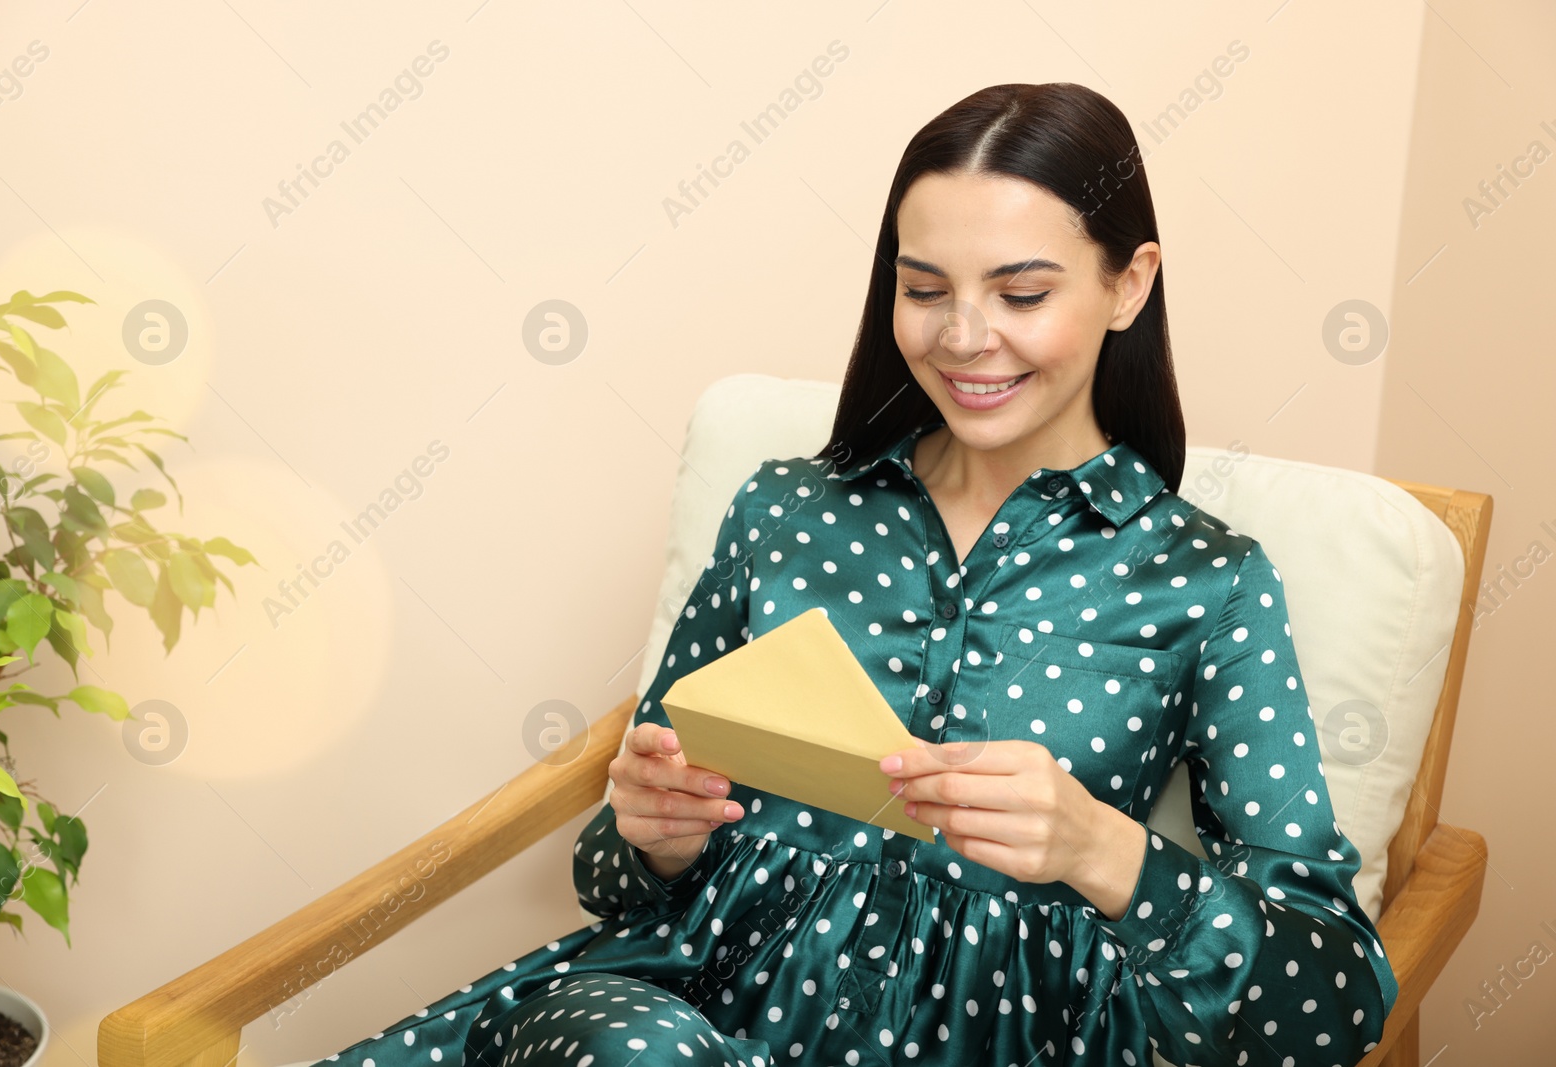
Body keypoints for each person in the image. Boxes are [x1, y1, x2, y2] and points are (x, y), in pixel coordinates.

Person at [323, 81, 1398, 1067]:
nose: (965, 337)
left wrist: (1099, 846)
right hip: (670, 1014)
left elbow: (1330, 1008)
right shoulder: (785, 511)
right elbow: (609, 876)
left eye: (1021, 293)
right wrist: (650, 833)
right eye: (924, 288)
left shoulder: (1204, 578)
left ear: (1129, 284)